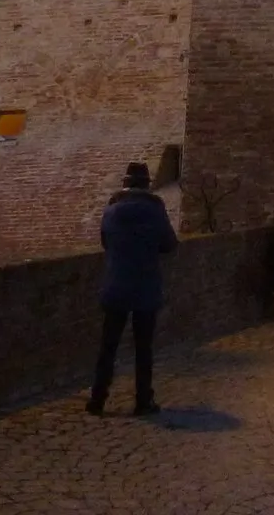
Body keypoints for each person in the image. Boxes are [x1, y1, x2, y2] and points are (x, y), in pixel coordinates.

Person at [87, 161, 178, 417]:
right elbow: (170, 244)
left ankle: (97, 397)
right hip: (145, 287)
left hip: (116, 285)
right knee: (143, 348)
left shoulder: (111, 211)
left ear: (126, 184)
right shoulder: (155, 211)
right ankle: (142, 400)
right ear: (146, 186)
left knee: (108, 346)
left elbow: (105, 241)